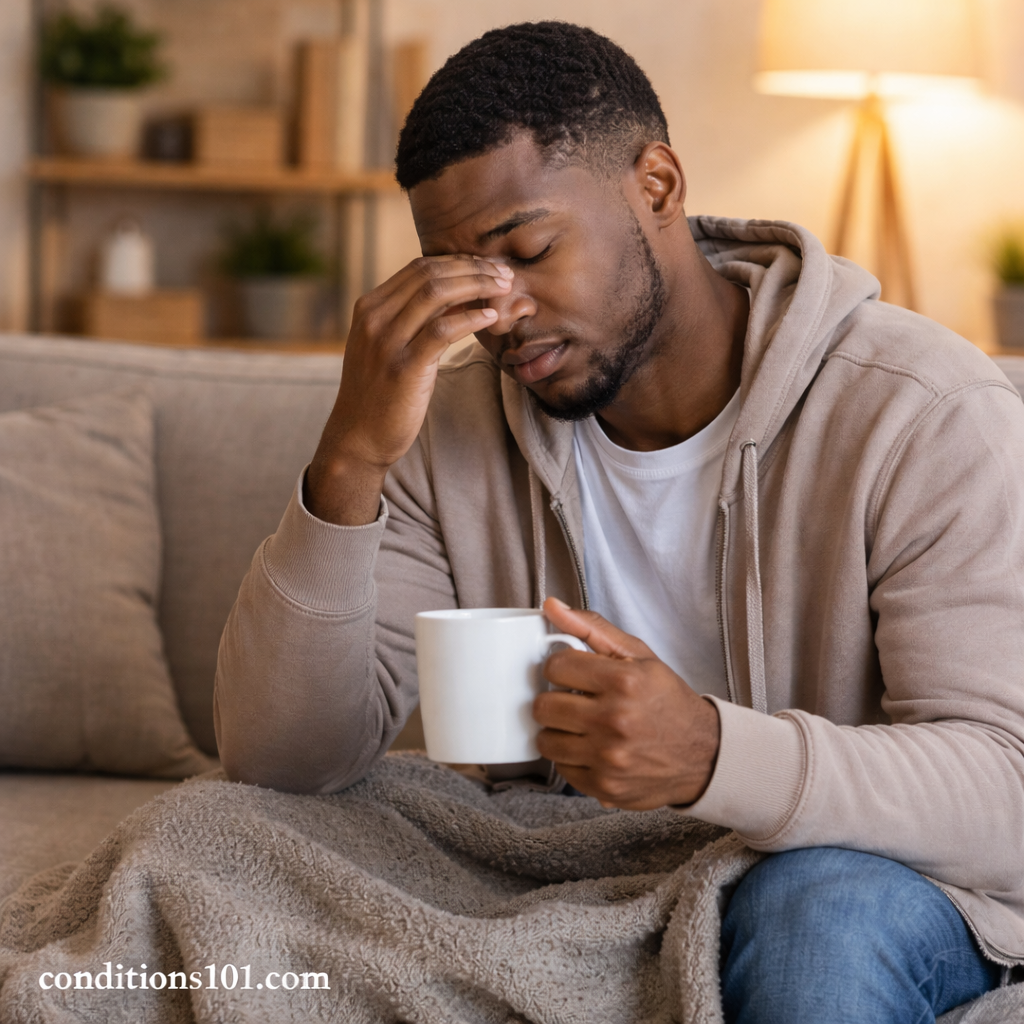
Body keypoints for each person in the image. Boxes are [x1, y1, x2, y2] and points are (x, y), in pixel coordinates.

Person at [213, 21, 1024, 1023]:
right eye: (458, 274)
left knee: (818, 909)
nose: (499, 312)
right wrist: (347, 461)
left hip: (863, 876)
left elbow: (1006, 787)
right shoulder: (445, 423)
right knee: (208, 833)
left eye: (528, 250)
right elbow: (281, 763)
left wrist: (712, 754)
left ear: (658, 186)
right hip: (569, 862)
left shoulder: (920, 407)